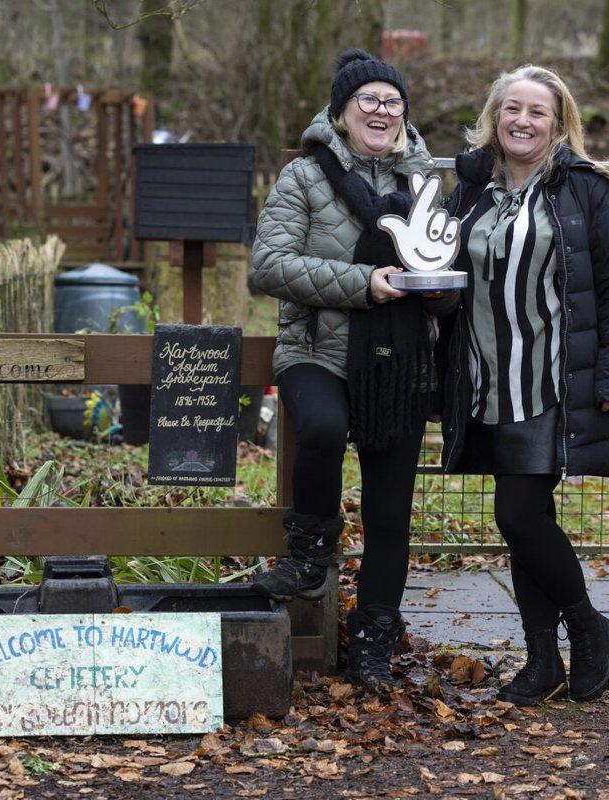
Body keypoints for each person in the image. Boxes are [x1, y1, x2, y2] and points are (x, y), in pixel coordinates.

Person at [438, 65, 609, 705]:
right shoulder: (470, 188)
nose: (522, 121)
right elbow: (437, 265)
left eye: (537, 112)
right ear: (494, 116)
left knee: (519, 514)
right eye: (512, 109)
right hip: (483, 382)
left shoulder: (582, 190)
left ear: (558, 124)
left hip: (550, 380)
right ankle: (542, 662)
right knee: (524, 522)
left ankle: (587, 627)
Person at [250, 48, 457, 689]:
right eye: (366, 100)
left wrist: (438, 287)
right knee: (320, 428)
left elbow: (446, 279)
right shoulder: (303, 178)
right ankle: (310, 551)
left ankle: (373, 639)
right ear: (339, 115)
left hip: (399, 366)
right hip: (317, 351)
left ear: (404, 117)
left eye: (391, 101)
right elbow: (269, 266)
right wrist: (363, 283)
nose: (380, 110)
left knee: (392, 513)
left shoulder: (423, 186)